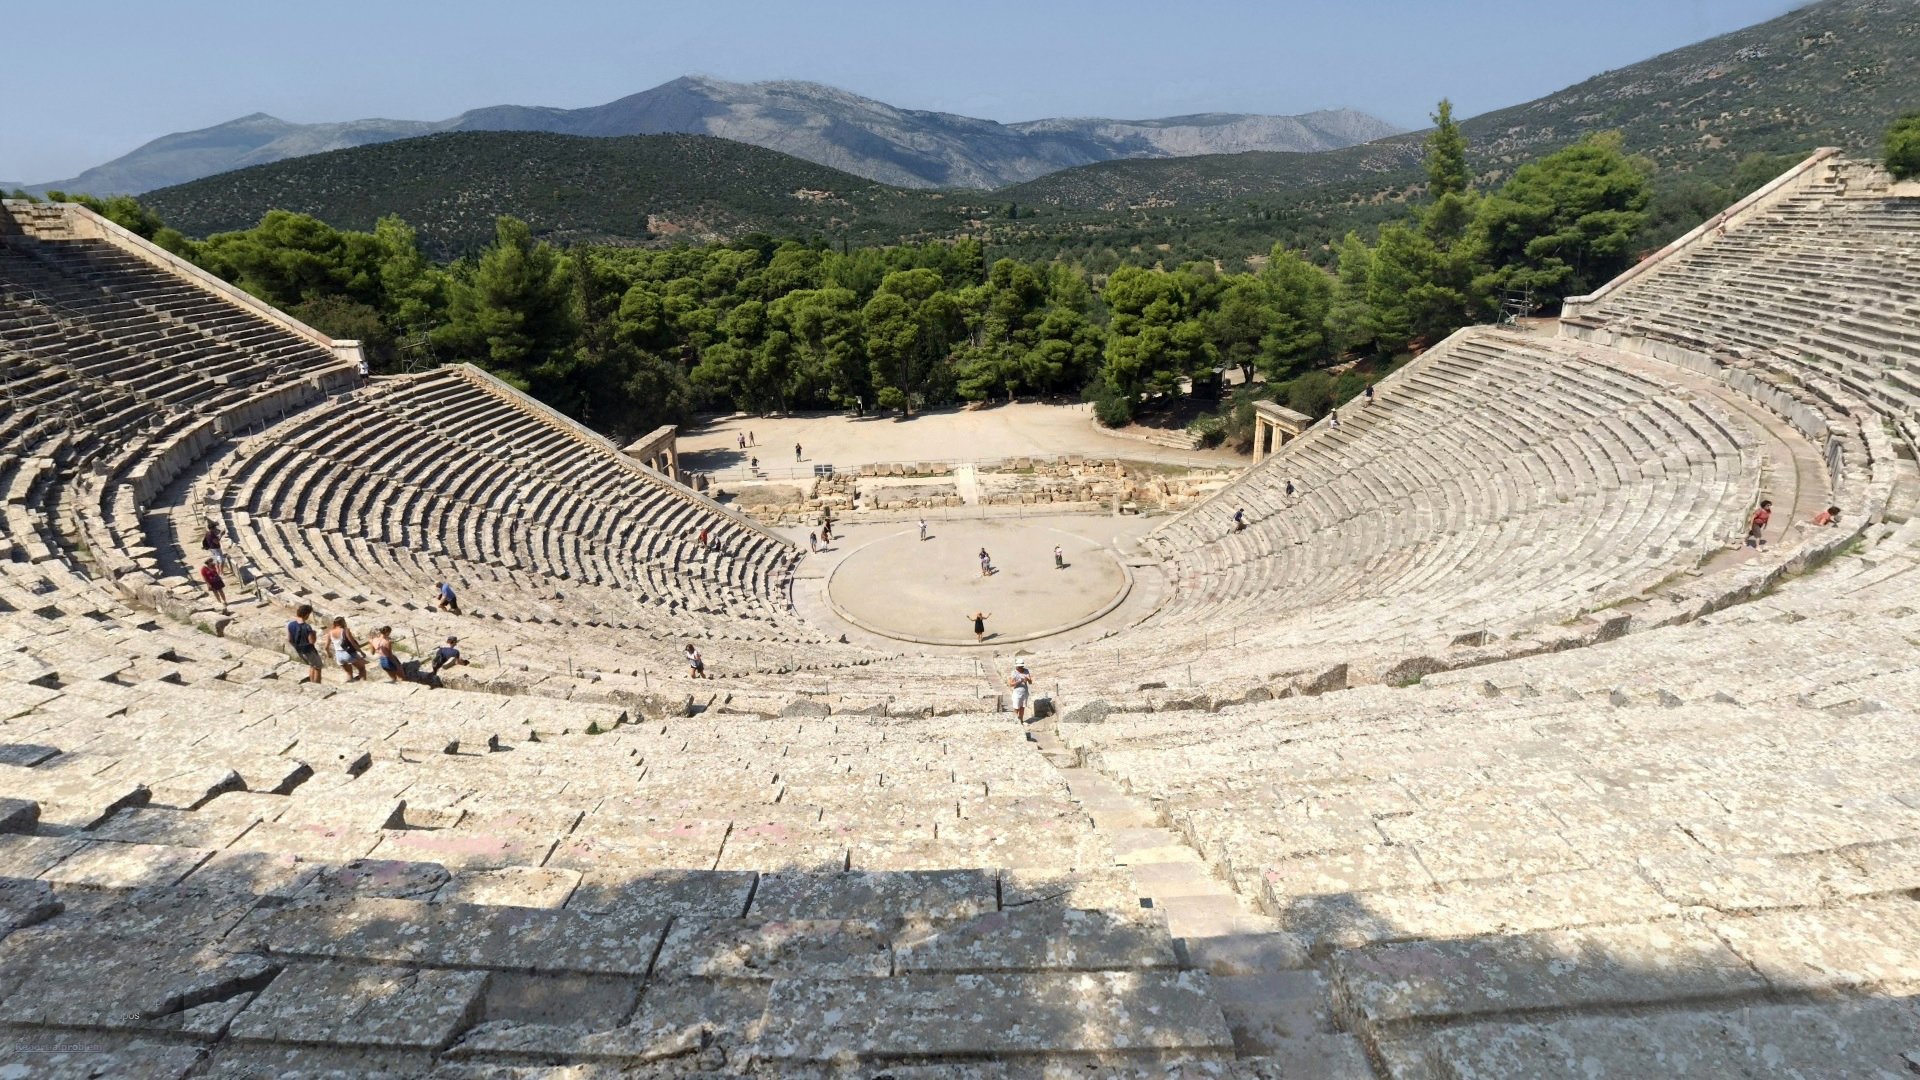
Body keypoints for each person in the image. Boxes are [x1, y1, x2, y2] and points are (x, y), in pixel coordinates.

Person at [288, 604, 323, 684]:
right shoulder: (307, 627)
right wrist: (314, 634)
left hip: (299, 650)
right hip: (309, 650)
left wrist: (296, 646)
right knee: (318, 667)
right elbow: (311, 642)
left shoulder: (291, 624)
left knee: (312, 665)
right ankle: (317, 685)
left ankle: (312, 683)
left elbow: (289, 639)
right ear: (306, 614)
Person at [328, 616, 368, 682]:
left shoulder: (330, 632)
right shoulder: (345, 630)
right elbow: (352, 643)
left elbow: (326, 646)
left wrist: (329, 653)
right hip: (347, 653)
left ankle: (351, 683)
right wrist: (361, 652)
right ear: (343, 622)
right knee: (362, 668)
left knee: (349, 673)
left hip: (338, 655)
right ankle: (364, 684)